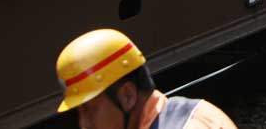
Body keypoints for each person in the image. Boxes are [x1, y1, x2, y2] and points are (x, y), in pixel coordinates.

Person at [55, 29, 238, 129]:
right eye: (79, 112)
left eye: (89, 109)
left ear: (127, 96)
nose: (84, 124)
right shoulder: (195, 109)